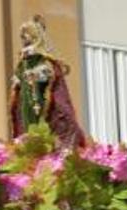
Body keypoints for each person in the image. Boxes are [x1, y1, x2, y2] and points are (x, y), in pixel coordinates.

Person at [9, 15, 85, 147]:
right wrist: (18, 81)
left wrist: (36, 76)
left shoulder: (43, 59)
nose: (23, 39)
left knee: (43, 121)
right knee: (26, 121)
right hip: (27, 99)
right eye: (22, 36)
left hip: (40, 99)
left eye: (26, 35)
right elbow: (19, 74)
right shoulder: (24, 59)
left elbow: (48, 73)